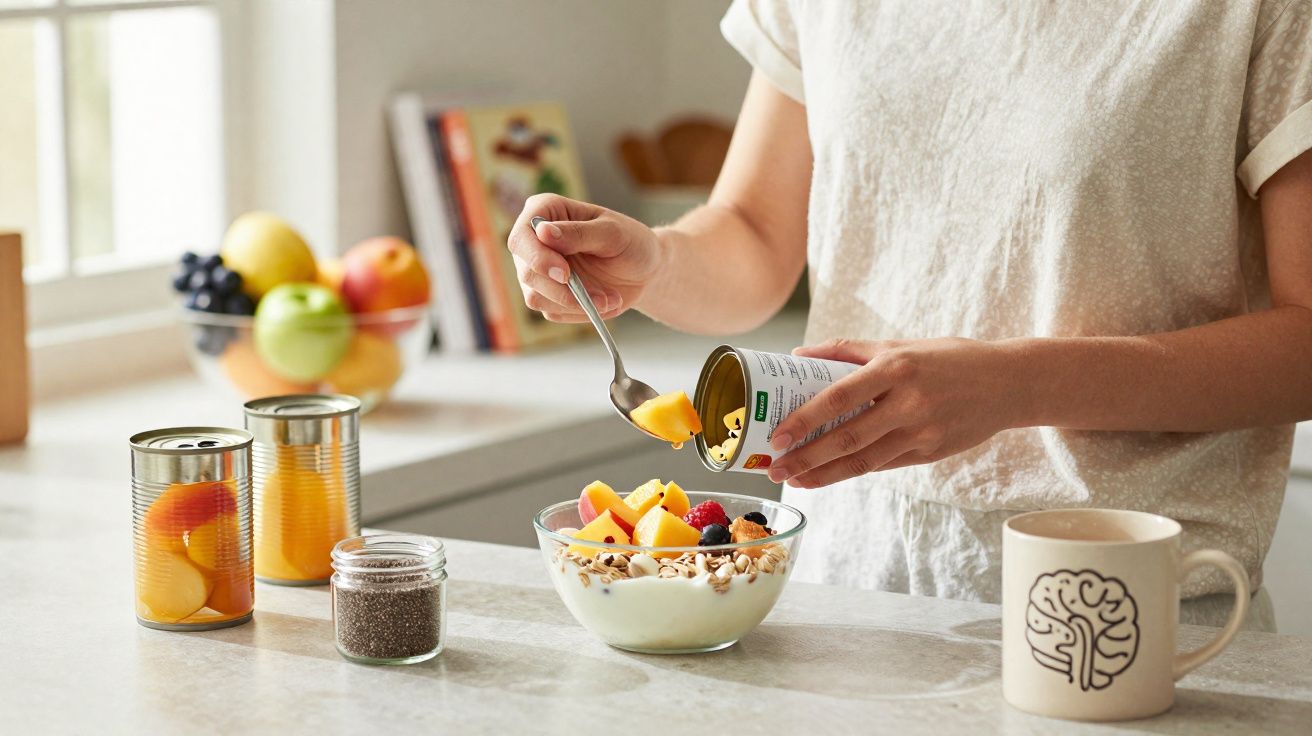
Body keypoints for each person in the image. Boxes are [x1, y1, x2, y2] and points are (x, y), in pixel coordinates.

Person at [508, 1, 1312, 630]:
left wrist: (1016, 385)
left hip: (1114, 612)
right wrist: (652, 262)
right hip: (846, 596)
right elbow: (753, 235)